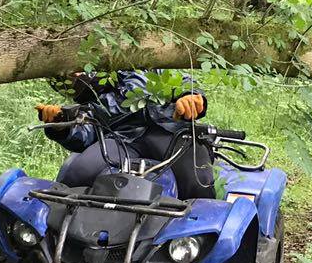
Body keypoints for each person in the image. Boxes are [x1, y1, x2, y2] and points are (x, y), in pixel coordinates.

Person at [35, 70, 214, 198]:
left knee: (199, 181)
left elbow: (181, 80)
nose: (73, 80)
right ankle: (64, 233)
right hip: (121, 139)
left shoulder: (141, 64)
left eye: (74, 74)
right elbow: (85, 134)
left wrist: (190, 97)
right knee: (76, 174)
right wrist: (60, 125)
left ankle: (205, 235)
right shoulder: (88, 104)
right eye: (66, 80)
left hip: (170, 132)